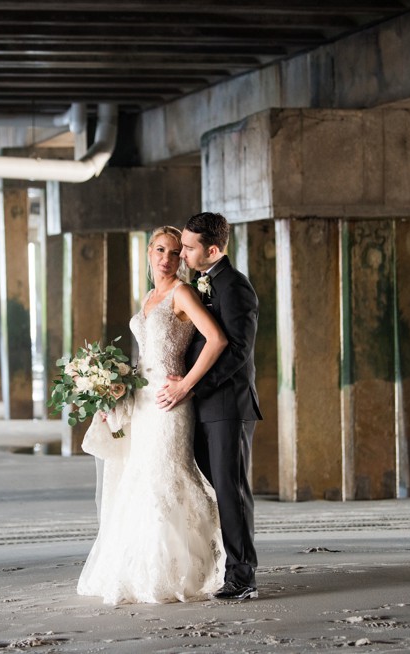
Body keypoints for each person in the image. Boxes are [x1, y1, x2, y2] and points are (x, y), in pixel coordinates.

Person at [77, 225, 229, 605]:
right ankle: (137, 568)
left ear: (182, 259)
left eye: (175, 253)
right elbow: (145, 355)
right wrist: (114, 389)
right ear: (149, 253)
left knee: (167, 477)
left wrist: (186, 386)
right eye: (160, 250)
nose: (166, 258)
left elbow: (217, 339)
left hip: (170, 402)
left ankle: (179, 571)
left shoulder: (182, 292)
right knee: (139, 476)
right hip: (142, 400)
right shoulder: (149, 296)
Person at [158, 211, 262, 601]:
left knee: (231, 491)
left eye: (187, 247)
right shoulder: (200, 285)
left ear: (213, 250)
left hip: (227, 407)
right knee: (209, 490)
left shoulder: (236, 287)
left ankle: (242, 576)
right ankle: (220, 566)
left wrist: (193, 388)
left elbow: (237, 351)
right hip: (199, 406)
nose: (181, 254)